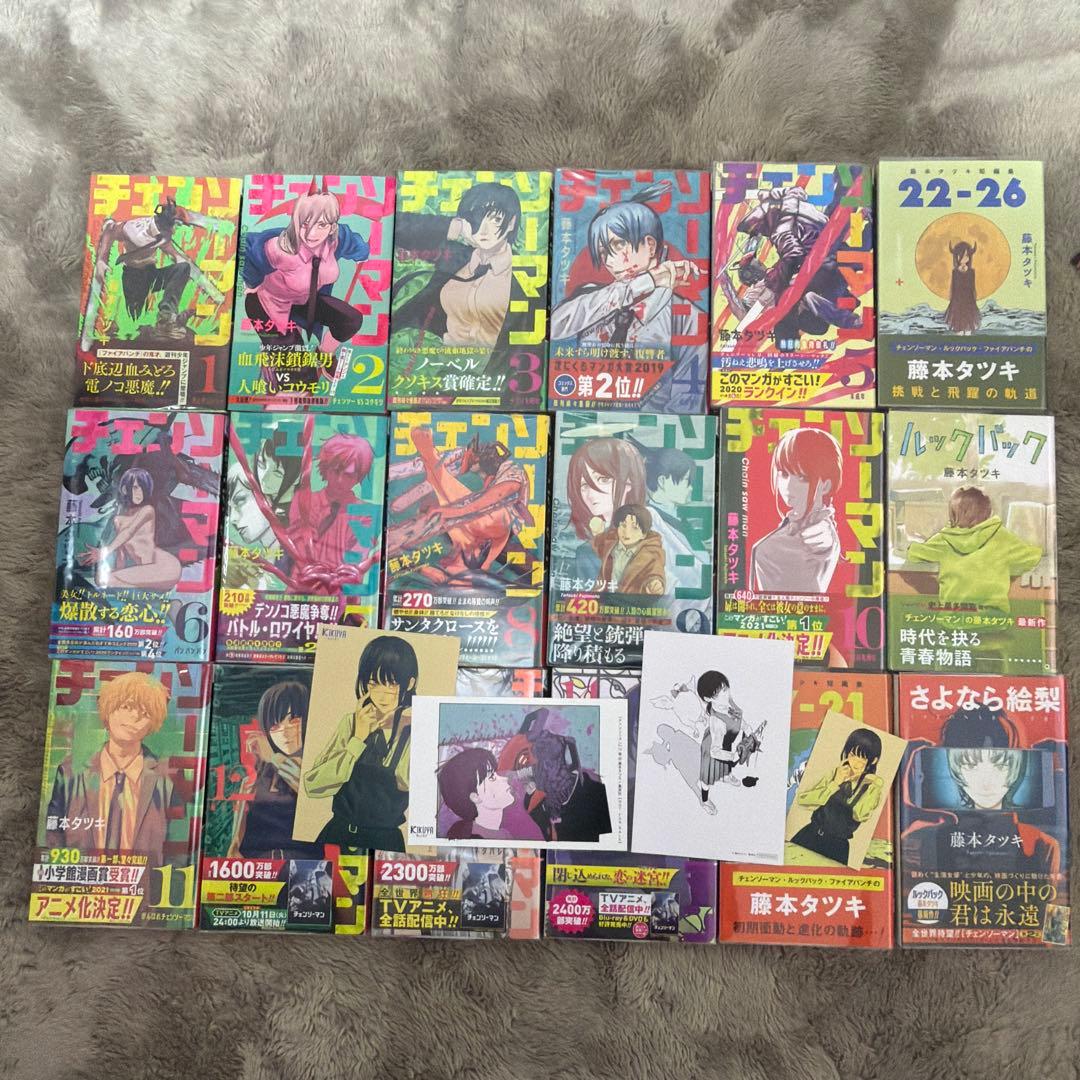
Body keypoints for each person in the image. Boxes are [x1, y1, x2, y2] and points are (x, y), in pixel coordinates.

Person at [549, 181, 706, 411]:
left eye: (619, 244)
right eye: (603, 252)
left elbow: (688, 407)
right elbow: (554, 326)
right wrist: (647, 281)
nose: (610, 261)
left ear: (650, 246)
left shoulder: (688, 319)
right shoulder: (596, 299)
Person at [241, 178, 372, 390]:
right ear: (296, 221)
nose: (312, 234)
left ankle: (324, 353)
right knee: (302, 377)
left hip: (304, 301)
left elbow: (354, 242)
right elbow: (246, 247)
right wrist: (253, 283)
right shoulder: (281, 248)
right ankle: (274, 358)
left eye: (321, 225)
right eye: (305, 224)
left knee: (350, 319)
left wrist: (361, 253)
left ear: (332, 226)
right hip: (268, 306)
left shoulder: (335, 240)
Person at [46, 671, 176, 867]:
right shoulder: (70, 773)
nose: (135, 716)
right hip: (80, 882)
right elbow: (53, 838)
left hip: (144, 884)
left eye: (146, 713)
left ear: (153, 723)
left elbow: (177, 853)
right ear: (108, 709)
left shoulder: (167, 780)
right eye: (126, 706)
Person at [303, 635, 418, 852]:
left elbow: (410, 784)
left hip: (385, 841)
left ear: (409, 683)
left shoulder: (416, 728)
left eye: (391, 683)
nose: (382, 694)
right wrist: (357, 739)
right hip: (338, 833)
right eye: (374, 683)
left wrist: (407, 728)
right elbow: (314, 784)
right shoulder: (351, 722)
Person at [80, 197, 229, 352]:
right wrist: (102, 259)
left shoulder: (162, 234)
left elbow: (174, 254)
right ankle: (121, 328)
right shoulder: (135, 230)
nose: (173, 231)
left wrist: (208, 288)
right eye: (172, 227)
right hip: (134, 280)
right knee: (132, 324)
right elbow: (110, 228)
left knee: (183, 267)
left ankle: (166, 318)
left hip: (151, 274)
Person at [392, 180, 522, 349]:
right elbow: (396, 225)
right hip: (440, 358)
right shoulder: (457, 257)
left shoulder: (523, 274)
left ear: (511, 223)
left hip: (496, 363)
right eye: (477, 218)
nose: (483, 231)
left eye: (496, 220)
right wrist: (454, 226)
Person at [905, 486, 1042, 613]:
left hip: (953, 618)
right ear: (987, 511)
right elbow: (1033, 557)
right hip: (994, 618)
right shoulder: (1001, 535)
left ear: (953, 513)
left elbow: (914, 553)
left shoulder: (944, 538)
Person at [750, 426, 843, 595]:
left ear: (826, 486)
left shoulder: (821, 532)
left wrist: (828, 538)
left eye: (802, 478)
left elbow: (823, 542)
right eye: (784, 474)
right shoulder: (790, 523)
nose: (788, 488)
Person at [229, 679, 313, 860]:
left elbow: (312, 796)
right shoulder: (254, 779)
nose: (285, 732)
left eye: (294, 721)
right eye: (275, 726)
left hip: (305, 867)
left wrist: (274, 758)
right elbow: (236, 842)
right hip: (257, 867)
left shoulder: (318, 769)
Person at [77, 467, 182, 591]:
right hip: (145, 570)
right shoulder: (118, 520)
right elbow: (121, 552)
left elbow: (129, 532)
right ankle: (149, 586)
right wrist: (118, 570)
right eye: (135, 487)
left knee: (105, 579)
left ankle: (149, 586)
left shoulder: (147, 510)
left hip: (167, 566)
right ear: (125, 489)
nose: (139, 493)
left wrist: (104, 552)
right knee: (101, 578)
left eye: (143, 488)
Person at [789, 728, 884, 865]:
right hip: (810, 835)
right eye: (852, 754)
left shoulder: (872, 787)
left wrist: (867, 785)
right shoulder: (836, 773)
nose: (855, 762)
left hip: (837, 847)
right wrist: (835, 783)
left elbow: (859, 814)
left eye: (862, 757)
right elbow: (804, 800)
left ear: (873, 760)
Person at [563, 437, 646, 585]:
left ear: (629, 482)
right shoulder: (587, 551)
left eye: (603, 479)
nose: (591, 493)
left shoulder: (655, 534)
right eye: (584, 485)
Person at [437, 747, 515, 840]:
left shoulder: (504, 834)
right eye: (492, 777)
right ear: (475, 797)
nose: (505, 779)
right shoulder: (469, 837)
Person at [592, 504, 666, 595]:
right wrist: (597, 532)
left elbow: (655, 571)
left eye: (635, 528)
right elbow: (600, 545)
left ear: (643, 534)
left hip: (630, 601)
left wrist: (655, 583)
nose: (627, 532)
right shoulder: (612, 542)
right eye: (623, 525)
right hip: (604, 596)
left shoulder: (650, 553)